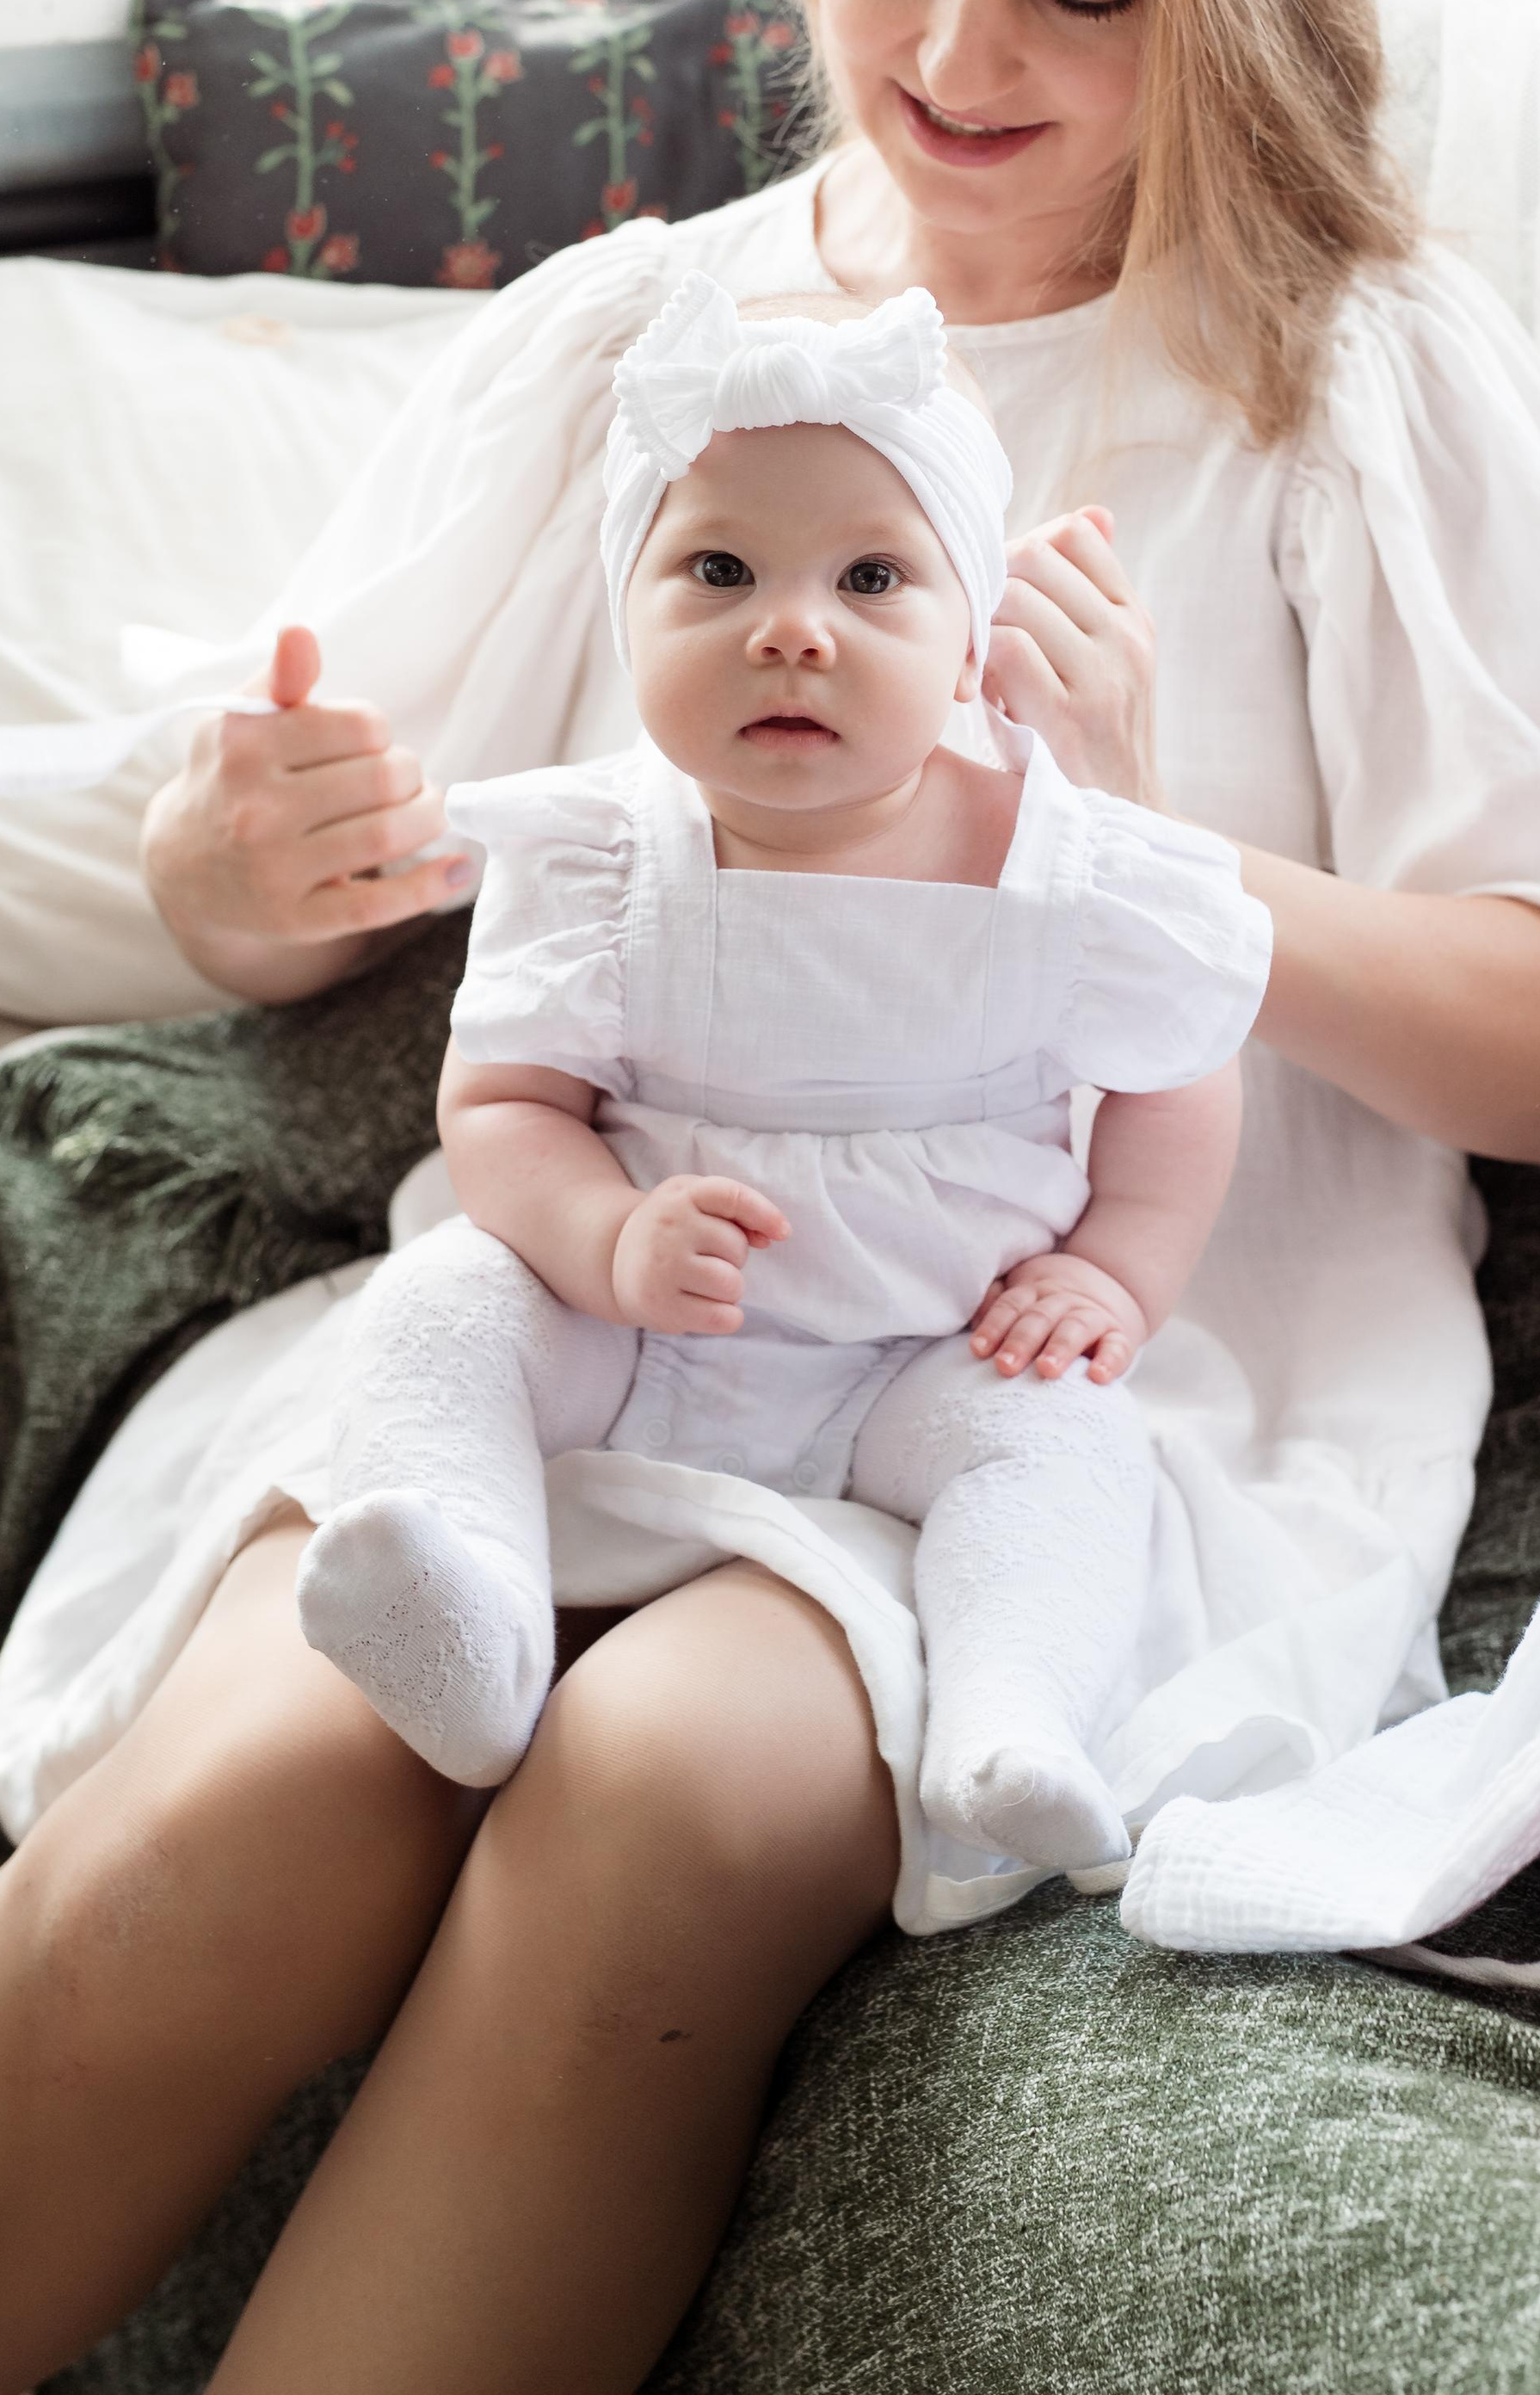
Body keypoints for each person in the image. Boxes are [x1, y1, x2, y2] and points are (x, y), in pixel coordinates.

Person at [0, 0, 1540, 2395]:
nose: (961, 57)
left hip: (1088, 1369)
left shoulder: (1348, 375)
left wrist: (1125, 864)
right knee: (261, 1797)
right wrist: (229, 878)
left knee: (654, 1809)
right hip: (600, 1283)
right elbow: (276, 814)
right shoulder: (645, 352)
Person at [299, 269, 1267, 1875]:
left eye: (873, 576)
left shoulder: (1061, 865)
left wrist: (1116, 1271)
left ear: (971, 647)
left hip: (925, 1352)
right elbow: (503, 1109)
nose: (792, 626)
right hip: (631, 1329)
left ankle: (1012, 1711)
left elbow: (1182, 1077)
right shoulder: (601, 857)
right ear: (630, 618)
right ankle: (460, 1606)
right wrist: (605, 1236)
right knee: (439, 1304)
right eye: (720, 569)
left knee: (1070, 1446)